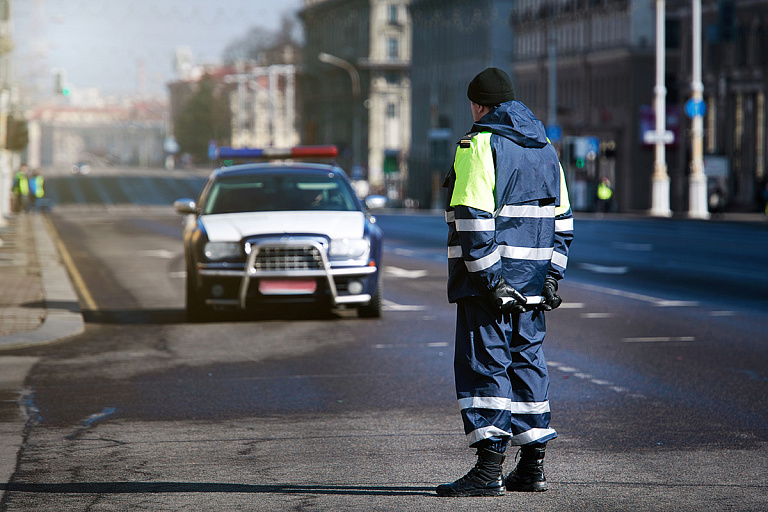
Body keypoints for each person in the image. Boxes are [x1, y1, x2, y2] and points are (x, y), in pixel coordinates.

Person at [438, 67, 574, 497]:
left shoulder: (479, 144)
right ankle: (532, 468)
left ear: (479, 105)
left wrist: (489, 281)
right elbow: (562, 222)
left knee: (486, 367)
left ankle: (488, 470)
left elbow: (473, 220)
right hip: (533, 284)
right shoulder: (545, 147)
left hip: (490, 287)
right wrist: (551, 277)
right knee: (527, 366)